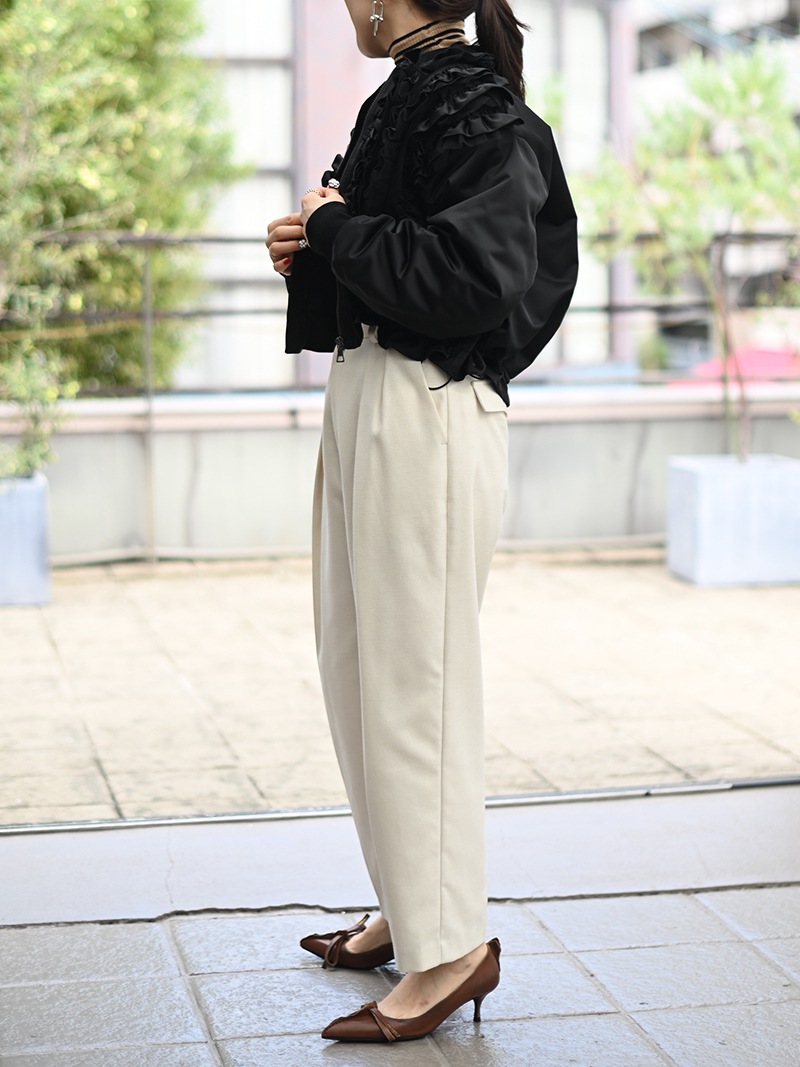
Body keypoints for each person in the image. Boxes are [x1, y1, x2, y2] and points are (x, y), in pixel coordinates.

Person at [265, 0, 578, 1044]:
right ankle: (412, 902)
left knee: (416, 682)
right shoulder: (411, 96)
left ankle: (451, 948)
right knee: (359, 664)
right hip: (373, 394)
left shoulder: (472, 105)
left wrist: (335, 229)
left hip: (427, 407)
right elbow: (395, 258)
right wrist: (314, 251)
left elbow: (472, 279)